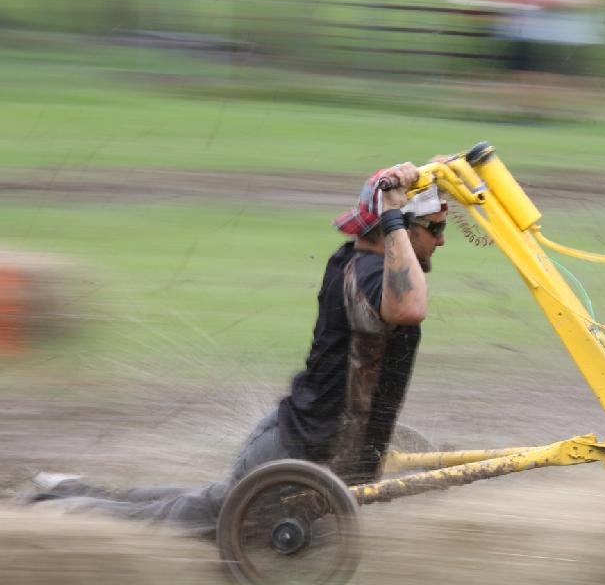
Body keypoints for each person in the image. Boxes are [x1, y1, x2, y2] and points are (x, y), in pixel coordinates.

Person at [30, 160, 449, 537]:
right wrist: (394, 216)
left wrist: (441, 172)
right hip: (300, 452)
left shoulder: (364, 262)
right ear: (397, 229)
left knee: (195, 506)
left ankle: (64, 489)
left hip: (302, 442)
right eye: (434, 228)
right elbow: (409, 306)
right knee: (185, 523)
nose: (443, 240)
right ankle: (54, 519)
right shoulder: (368, 277)